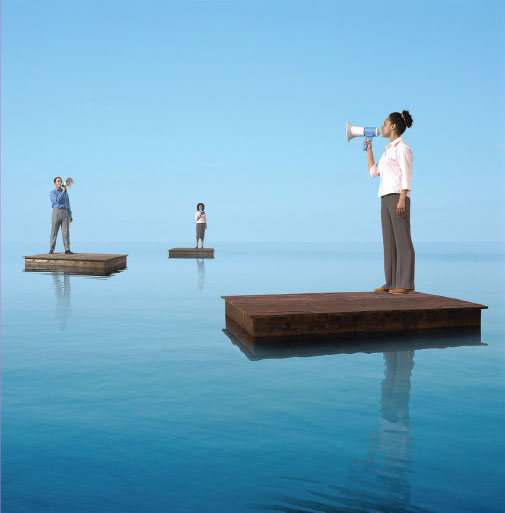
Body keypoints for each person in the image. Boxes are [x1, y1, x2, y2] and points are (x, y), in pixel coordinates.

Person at [366, 111, 415, 294]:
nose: (383, 126)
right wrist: (369, 151)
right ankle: (391, 283)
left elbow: (406, 174)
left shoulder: (403, 148)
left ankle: (405, 284)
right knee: (389, 242)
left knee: (402, 241)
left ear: (393, 126)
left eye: (385, 123)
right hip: (385, 197)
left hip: (397, 196)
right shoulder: (387, 151)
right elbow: (374, 172)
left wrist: (403, 197)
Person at [49, 177, 73, 254]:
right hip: (57, 211)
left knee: (66, 232)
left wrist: (70, 214)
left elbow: (68, 204)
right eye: (58, 181)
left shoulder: (66, 193)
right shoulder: (53, 192)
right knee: (54, 231)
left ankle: (67, 249)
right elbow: (56, 201)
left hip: (65, 212)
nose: (60, 182)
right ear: (55, 183)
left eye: (60, 181)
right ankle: (51, 249)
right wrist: (62, 192)